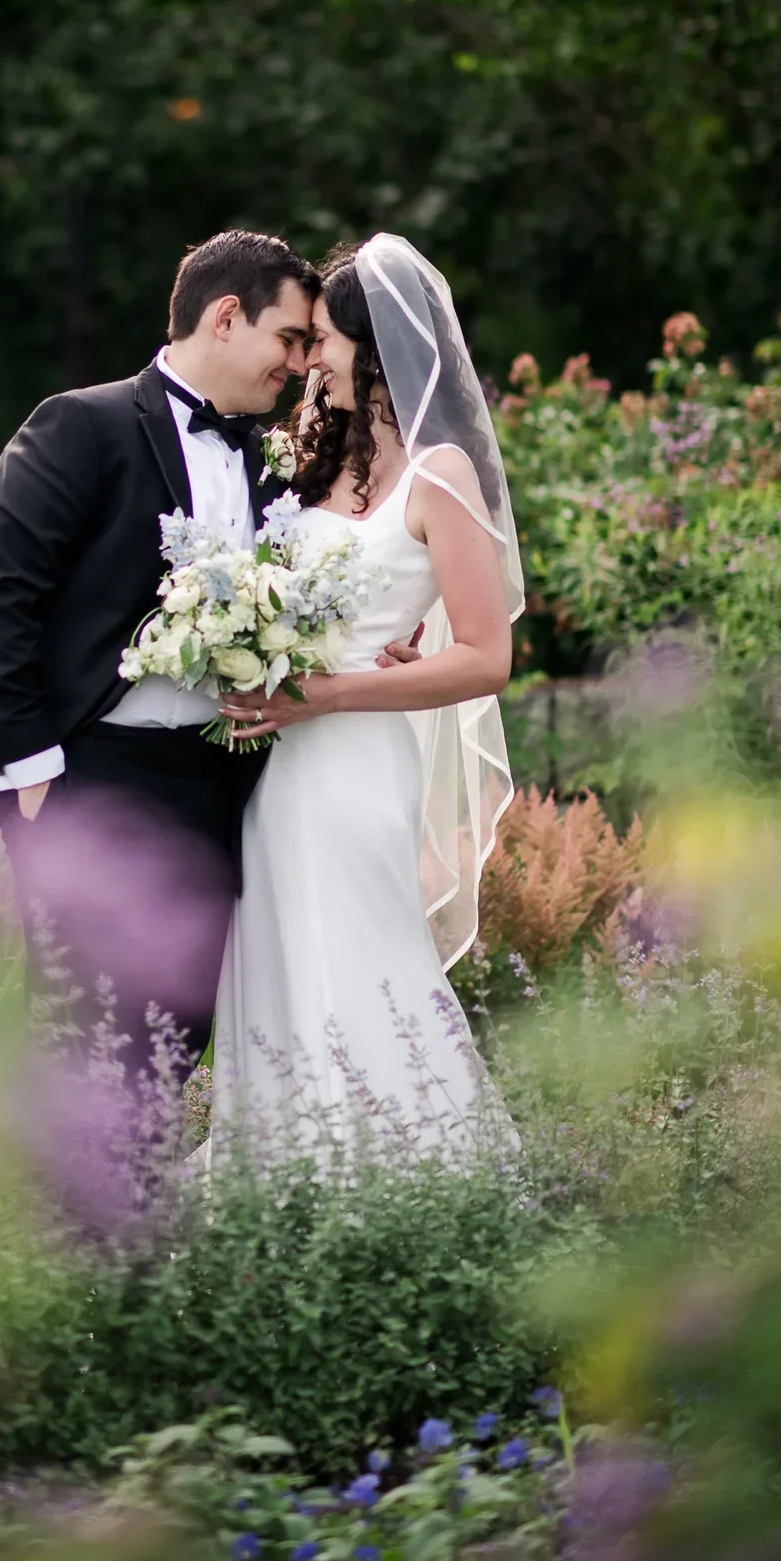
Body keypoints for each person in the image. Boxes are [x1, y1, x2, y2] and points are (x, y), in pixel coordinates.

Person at [0, 229, 318, 1067]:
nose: (297, 363)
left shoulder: (266, 459)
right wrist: (32, 767)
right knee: (90, 1022)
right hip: (87, 775)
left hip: (215, 778)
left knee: (186, 1017)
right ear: (224, 316)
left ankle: (139, 1190)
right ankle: (83, 1198)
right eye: (288, 337)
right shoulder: (80, 424)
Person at [211, 233, 522, 1155]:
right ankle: (282, 1177)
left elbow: (487, 656)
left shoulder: (442, 475)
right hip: (275, 768)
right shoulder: (325, 461)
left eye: (323, 342)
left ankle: (402, 1176)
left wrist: (331, 693)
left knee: (359, 959)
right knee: (278, 959)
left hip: (353, 764)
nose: (310, 360)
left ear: (372, 342)